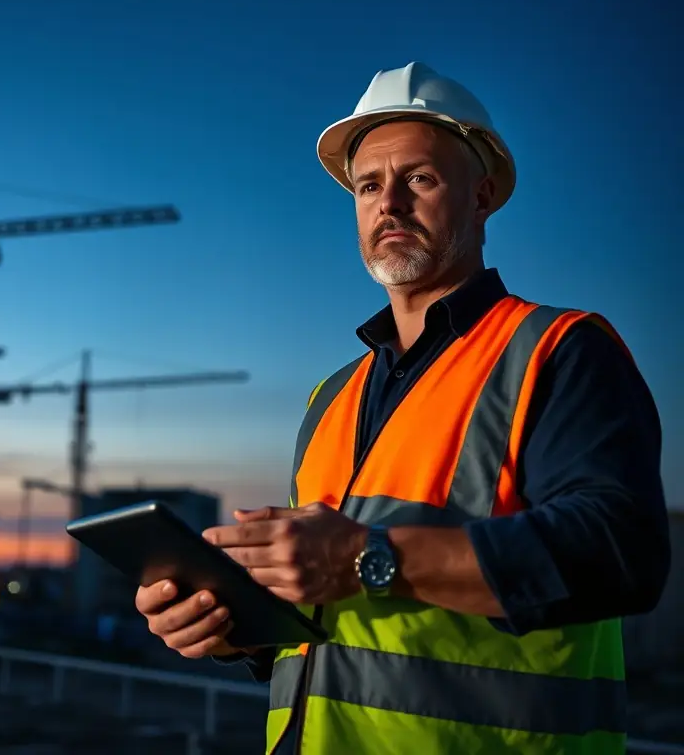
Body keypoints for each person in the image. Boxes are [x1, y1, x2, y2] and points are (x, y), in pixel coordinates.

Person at [134, 62, 670, 754]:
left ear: (481, 196)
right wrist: (238, 630)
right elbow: (347, 619)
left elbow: (621, 554)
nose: (389, 204)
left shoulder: (557, 351)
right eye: (368, 186)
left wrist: (371, 557)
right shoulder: (333, 396)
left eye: (419, 179)